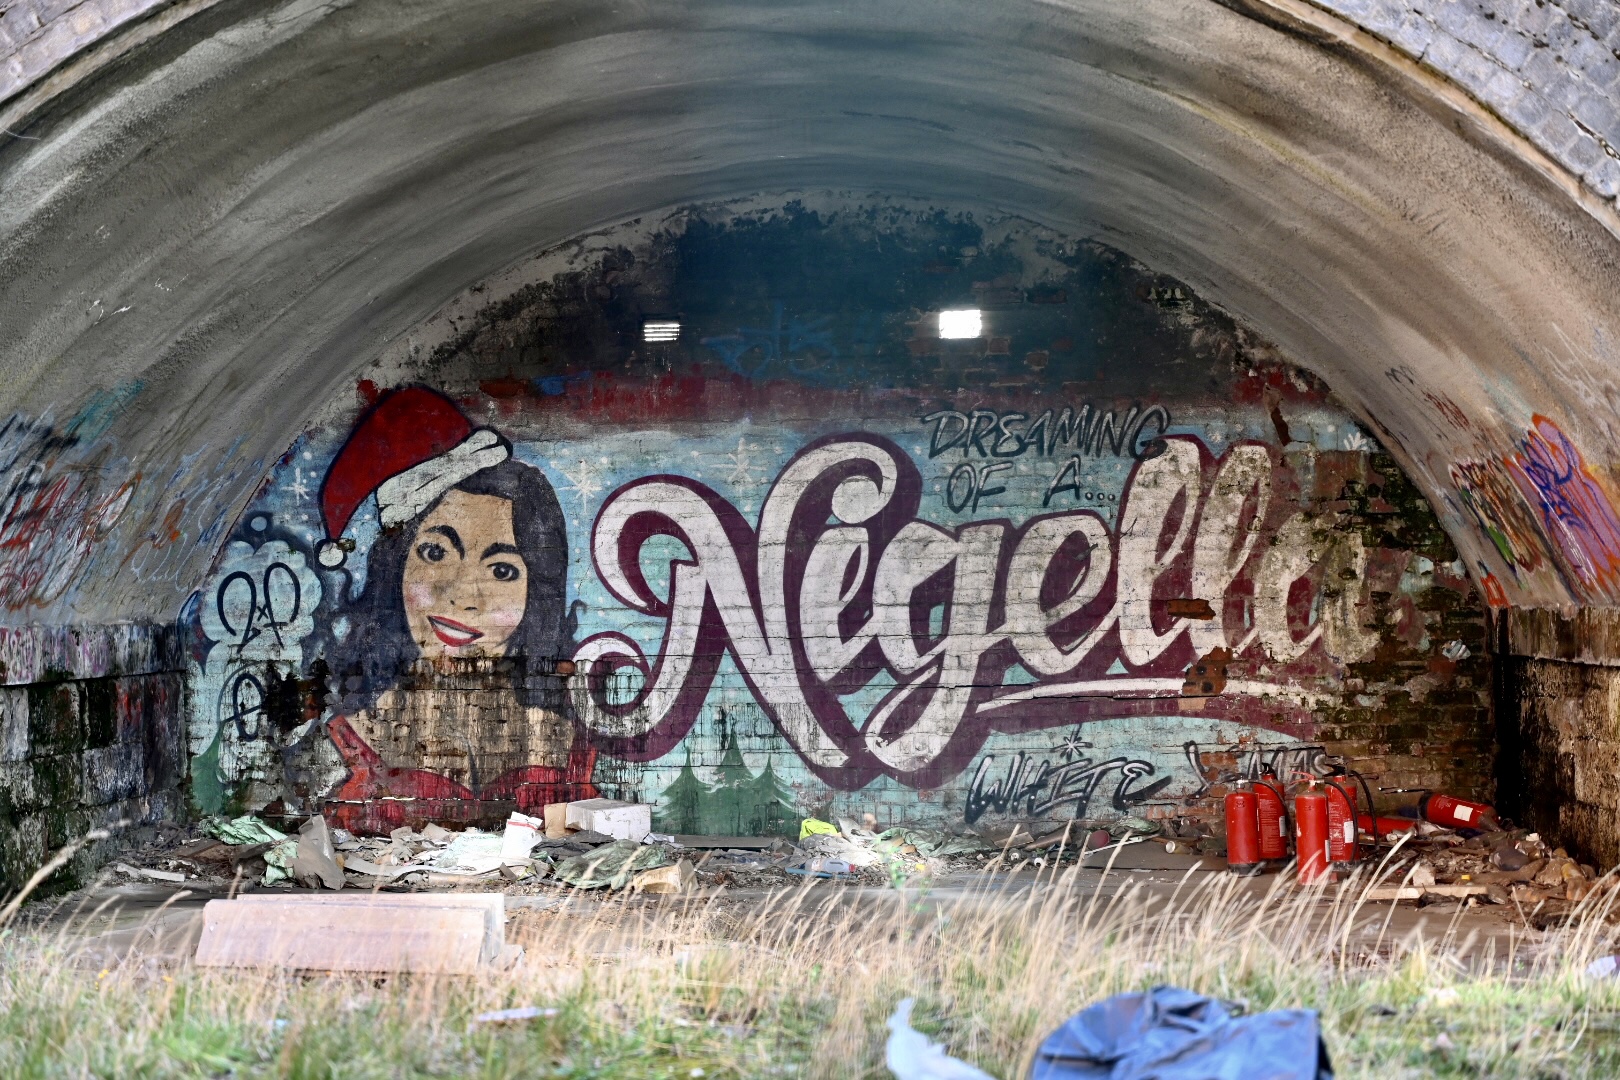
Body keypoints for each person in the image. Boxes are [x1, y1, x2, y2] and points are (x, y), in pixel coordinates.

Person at [309, 385, 595, 833]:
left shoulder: (567, 743)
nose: (463, 595)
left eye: (502, 570)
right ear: (396, 568)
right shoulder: (344, 738)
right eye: (436, 553)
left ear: (536, 594)